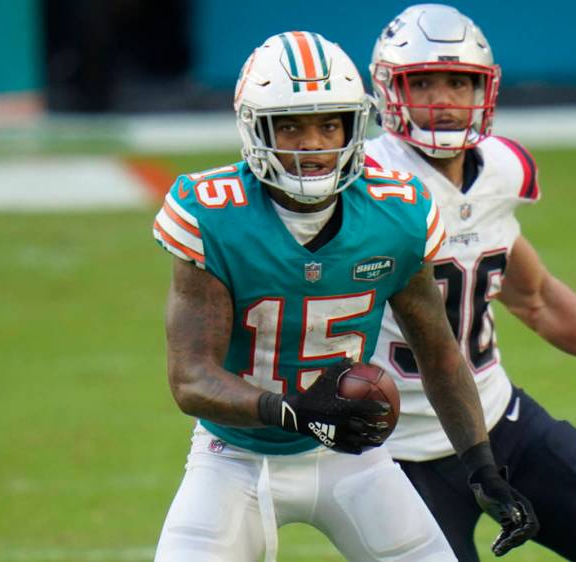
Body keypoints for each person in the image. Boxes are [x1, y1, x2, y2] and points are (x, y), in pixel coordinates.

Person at [150, 31, 537, 562]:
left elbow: (439, 352)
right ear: (256, 128)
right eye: (291, 126)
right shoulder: (214, 213)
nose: (312, 144)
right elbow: (191, 379)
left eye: (328, 123)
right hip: (234, 455)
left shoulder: (395, 213)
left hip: (351, 457)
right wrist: (292, 411)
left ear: (355, 125)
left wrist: (482, 466)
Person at [365, 5, 576, 561]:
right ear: (387, 89)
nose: (444, 100)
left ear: (486, 89)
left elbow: (535, 296)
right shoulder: (361, 187)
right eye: (422, 82)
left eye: (460, 82)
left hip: (498, 421)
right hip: (395, 454)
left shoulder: (503, 169)